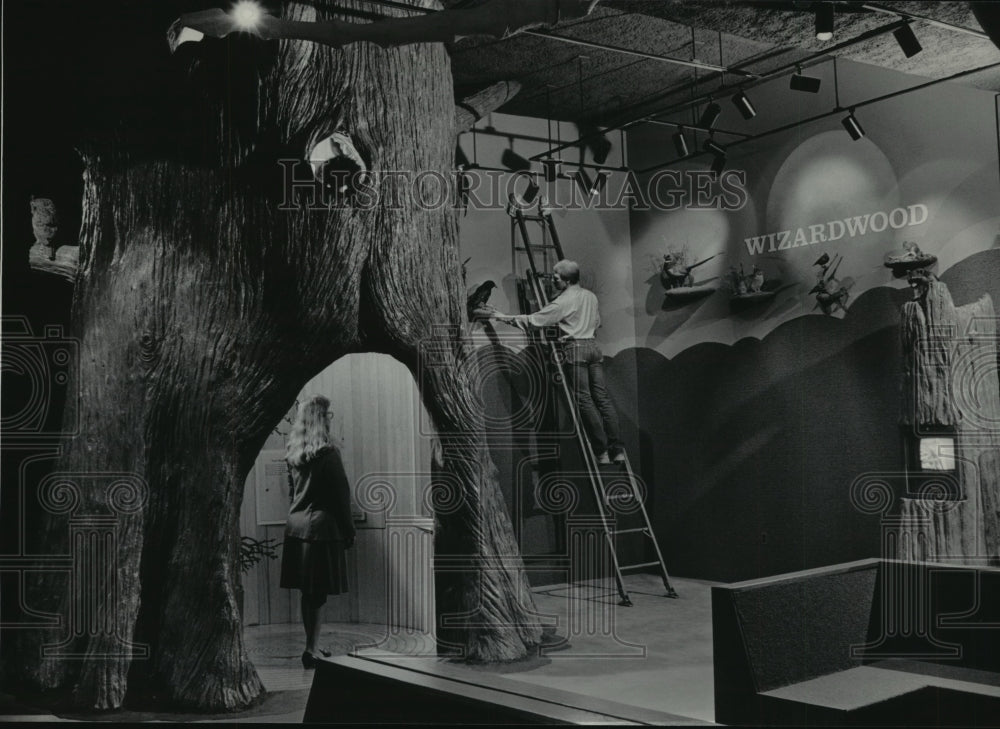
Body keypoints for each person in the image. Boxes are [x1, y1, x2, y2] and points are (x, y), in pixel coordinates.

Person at [492, 259, 625, 465]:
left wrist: (501, 317)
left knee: (584, 400)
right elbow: (597, 322)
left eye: (556, 278)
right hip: (593, 348)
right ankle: (617, 450)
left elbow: (535, 321)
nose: (553, 281)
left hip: (575, 349)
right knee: (602, 399)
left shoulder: (564, 300)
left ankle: (601, 452)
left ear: (567, 279)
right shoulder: (590, 296)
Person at [281, 395, 356, 669]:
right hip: (322, 531)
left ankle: (311, 645)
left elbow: (292, 494)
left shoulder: (293, 452)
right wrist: (349, 531)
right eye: (328, 415)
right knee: (319, 592)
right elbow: (340, 497)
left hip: (297, 529)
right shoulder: (328, 454)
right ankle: (311, 649)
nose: (330, 419)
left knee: (308, 592)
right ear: (320, 419)